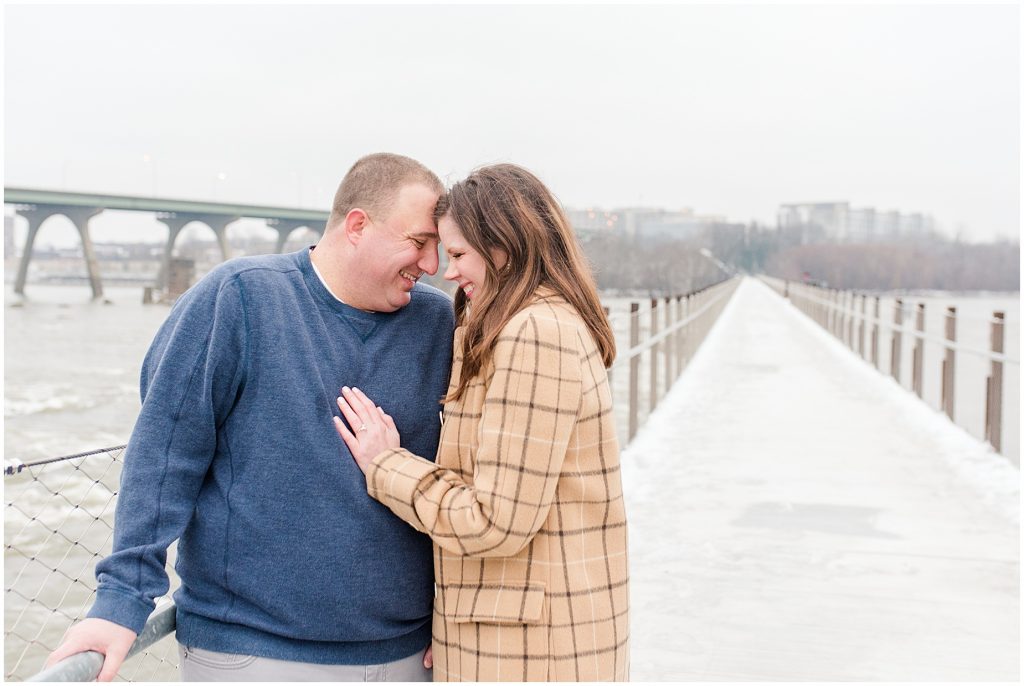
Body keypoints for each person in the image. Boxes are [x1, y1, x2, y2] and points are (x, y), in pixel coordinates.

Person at [45, 153, 455, 681]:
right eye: (420, 242)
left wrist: (457, 619)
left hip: (409, 652)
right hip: (252, 653)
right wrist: (121, 601)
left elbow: (467, 477)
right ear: (358, 225)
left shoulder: (437, 320)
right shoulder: (239, 297)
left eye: (439, 249)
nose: (431, 265)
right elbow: (165, 454)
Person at [334, 163, 630, 682]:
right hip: (515, 636)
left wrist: (385, 464)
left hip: (530, 655)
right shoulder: (518, 324)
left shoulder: (536, 334)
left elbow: (494, 522)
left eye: (458, 254)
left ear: (503, 249)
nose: (446, 272)